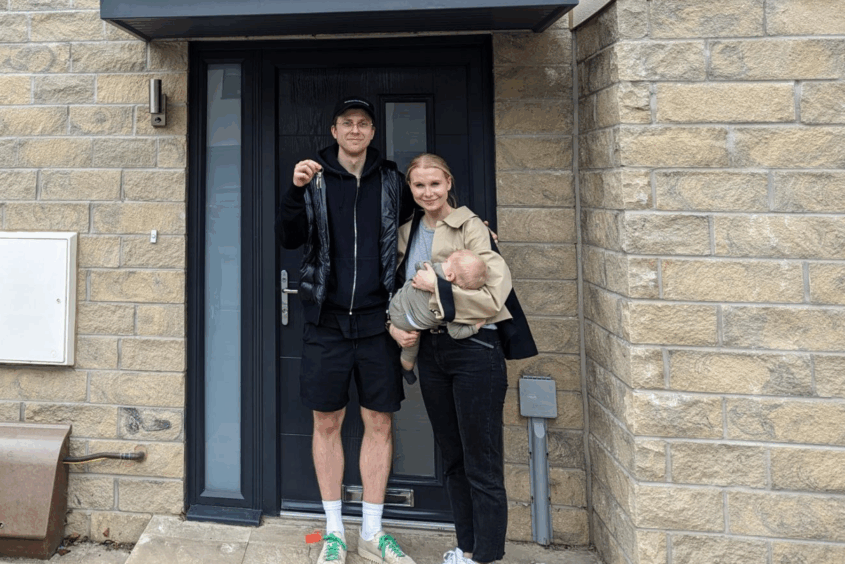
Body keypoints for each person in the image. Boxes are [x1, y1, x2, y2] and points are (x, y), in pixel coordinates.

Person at [278, 96, 417, 564]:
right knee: (327, 422)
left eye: (363, 123)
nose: (355, 130)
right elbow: (290, 238)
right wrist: (294, 192)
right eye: (346, 123)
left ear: (373, 132)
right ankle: (334, 530)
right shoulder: (312, 178)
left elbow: (424, 225)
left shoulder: (393, 182)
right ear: (334, 131)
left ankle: (373, 532)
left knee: (379, 421)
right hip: (327, 323)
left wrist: (474, 229)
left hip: (380, 323)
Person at [391, 153, 537, 564]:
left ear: (449, 182)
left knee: (481, 461)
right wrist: (393, 326)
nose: (427, 192)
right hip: (432, 352)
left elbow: (493, 296)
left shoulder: (472, 227)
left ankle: (486, 556)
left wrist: (437, 288)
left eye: (434, 184)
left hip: (475, 351)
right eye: (419, 185)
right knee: (453, 458)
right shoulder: (407, 231)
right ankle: (467, 548)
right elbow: (397, 291)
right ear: (411, 188)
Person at [388, 249, 488, 381]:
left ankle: (405, 370)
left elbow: (418, 265)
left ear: (451, 275)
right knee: (411, 347)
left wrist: (426, 265)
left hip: (395, 308)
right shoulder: (451, 305)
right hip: (411, 324)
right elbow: (455, 333)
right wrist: (475, 326)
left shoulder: (433, 269)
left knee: (409, 289)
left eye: (446, 260)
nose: (443, 262)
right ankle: (407, 370)